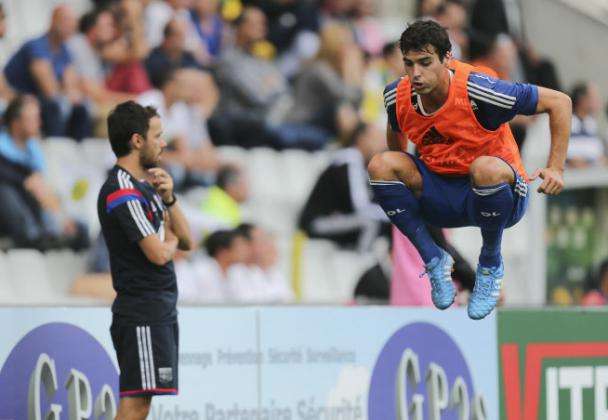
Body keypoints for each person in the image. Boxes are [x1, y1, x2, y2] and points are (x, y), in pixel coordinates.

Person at [368, 20, 571, 319]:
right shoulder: (396, 97)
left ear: (447, 58)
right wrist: (405, 187)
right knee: (380, 165)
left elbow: (560, 102)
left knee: (484, 168)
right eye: (409, 64)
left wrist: (556, 167)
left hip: (498, 193)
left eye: (425, 63)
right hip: (442, 195)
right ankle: (434, 259)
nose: (416, 74)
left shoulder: (479, 89)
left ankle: (489, 265)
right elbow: (396, 138)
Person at [98, 100, 193, 418]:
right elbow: (158, 253)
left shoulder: (149, 186)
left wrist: (170, 198)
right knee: (136, 402)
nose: (164, 143)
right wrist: (172, 238)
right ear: (137, 140)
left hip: (158, 307)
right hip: (141, 309)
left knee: (143, 401)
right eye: (158, 136)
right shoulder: (121, 190)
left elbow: (188, 241)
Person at [0, 95, 88, 250]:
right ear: (16, 122)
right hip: (9, 215)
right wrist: (25, 181)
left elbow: (40, 185)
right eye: (32, 119)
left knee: (78, 226)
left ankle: (59, 229)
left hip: (33, 205)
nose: (39, 123)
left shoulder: (34, 151)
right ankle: (34, 234)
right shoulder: (3, 147)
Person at [4, 4, 92, 139]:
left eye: (72, 22)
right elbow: (49, 90)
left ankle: (79, 153)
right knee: (53, 107)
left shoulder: (65, 51)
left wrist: (71, 94)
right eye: (66, 21)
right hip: (17, 98)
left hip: (40, 101)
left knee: (80, 109)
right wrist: (68, 94)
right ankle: (55, 149)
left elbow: (72, 86)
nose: (70, 26)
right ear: (53, 20)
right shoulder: (36, 46)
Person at [566, 82, 605, 167]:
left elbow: (601, 157)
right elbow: (570, 159)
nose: (599, 101)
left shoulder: (592, 124)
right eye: (594, 97)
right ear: (582, 100)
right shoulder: (565, 123)